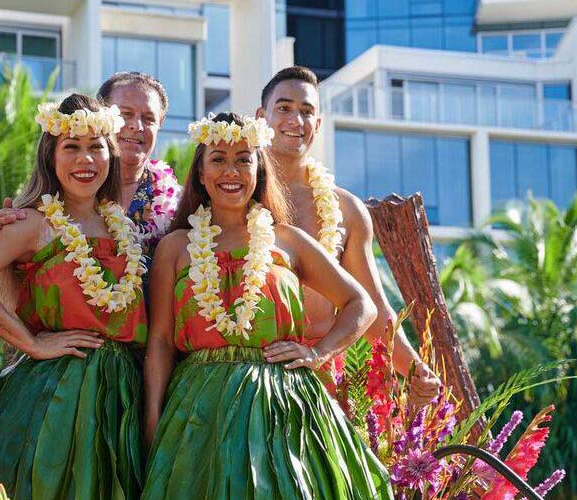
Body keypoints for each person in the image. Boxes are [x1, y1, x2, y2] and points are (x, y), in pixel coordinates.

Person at [141, 112, 393, 499]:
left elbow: (362, 304)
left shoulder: (288, 241)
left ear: (259, 170)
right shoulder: (175, 248)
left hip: (281, 409)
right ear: (201, 174)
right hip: (198, 413)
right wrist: (154, 419)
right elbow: (159, 341)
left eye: (244, 159)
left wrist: (318, 352)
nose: (232, 171)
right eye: (219, 159)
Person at [0, 93, 147, 500]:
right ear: (50, 157)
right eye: (71, 147)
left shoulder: (123, 229)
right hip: (54, 394)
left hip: (122, 395)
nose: (85, 159)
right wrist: (32, 343)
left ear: (111, 154)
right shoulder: (32, 223)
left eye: (96, 147)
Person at [257, 66, 442, 404]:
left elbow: (373, 308)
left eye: (306, 111)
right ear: (261, 117)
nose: (295, 120)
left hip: (319, 380)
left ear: (319, 124)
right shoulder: (234, 197)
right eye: (283, 108)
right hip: (251, 371)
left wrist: (416, 370)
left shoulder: (346, 210)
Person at [0, 72, 181, 252]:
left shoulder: (178, 204)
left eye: (148, 118)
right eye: (125, 114)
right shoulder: (57, 194)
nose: (136, 126)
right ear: (99, 118)